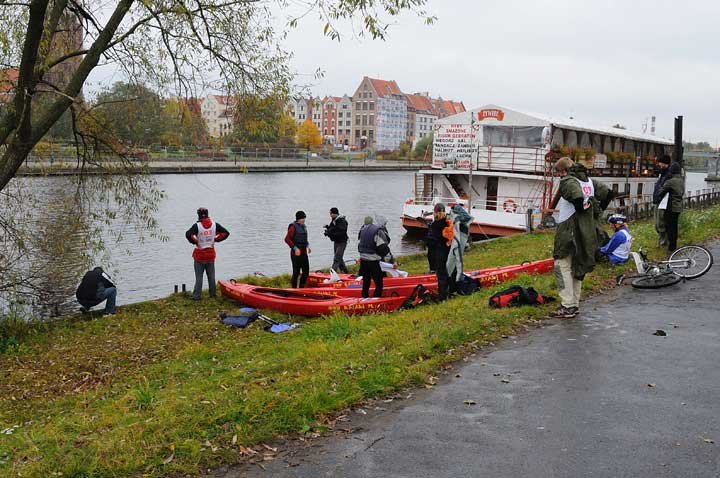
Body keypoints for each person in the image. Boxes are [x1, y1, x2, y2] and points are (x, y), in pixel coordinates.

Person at [550, 158, 604, 319]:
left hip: (569, 229)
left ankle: (567, 305)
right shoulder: (588, 181)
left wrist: (580, 206)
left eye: (558, 173)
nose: (559, 177)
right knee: (578, 266)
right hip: (586, 230)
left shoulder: (568, 181)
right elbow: (608, 193)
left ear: (563, 171)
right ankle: (574, 303)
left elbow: (576, 196)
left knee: (561, 265)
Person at [185, 207, 230, 300]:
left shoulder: (196, 226)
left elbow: (188, 234)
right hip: (211, 255)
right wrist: (216, 239)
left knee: (199, 277)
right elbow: (226, 233)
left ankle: (196, 296)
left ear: (198, 215)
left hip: (199, 255)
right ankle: (212, 295)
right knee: (211, 276)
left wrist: (195, 241)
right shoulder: (214, 224)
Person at [357, 216, 394, 298]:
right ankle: (376, 299)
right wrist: (391, 262)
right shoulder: (378, 231)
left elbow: (360, 245)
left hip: (363, 260)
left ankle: (364, 297)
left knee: (366, 281)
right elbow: (383, 247)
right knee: (379, 283)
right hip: (373, 261)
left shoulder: (363, 229)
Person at [428, 203, 455, 300]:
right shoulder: (449, 222)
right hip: (450, 251)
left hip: (440, 253)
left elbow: (431, 242)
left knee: (441, 275)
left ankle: (442, 296)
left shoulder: (435, 225)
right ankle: (452, 292)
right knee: (451, 272)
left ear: (435, 212)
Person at [657, 162, 685, 253]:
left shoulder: (670, 181)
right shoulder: (681, 180)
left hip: (670, 207)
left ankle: (671, 247)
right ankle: (674, 245)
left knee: (669, 226)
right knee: (674, 226)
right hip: (678, 207)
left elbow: (661, 192)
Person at [285, 210, 311, 288]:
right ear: (298, 219)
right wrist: (295, 248)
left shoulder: (304, 227)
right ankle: (293, 289)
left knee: (306, 271)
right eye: (303, 218)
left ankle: (301, 288)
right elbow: (287, 239)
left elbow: (305, 239)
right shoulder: (293, 227)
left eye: (304, 218)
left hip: (303, 253)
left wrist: (308, 246)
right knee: (296, 272)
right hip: (295, 254)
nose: (304, 220)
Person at [652, 155, 672, 246]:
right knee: (656, 223)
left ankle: (664, 240)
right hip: (658, 200)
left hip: (663, 201)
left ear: (664, 163)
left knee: (660, 222)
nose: (658, 164)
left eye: (660, 162)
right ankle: (662, 238)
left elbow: (665, 189)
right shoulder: (662, 174)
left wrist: (659, 196)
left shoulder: (668, 175)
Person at [324, 207, 349, 273]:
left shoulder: (342, 221)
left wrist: (330, 233)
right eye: (330, 213)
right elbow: (332, 228)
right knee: (339, 258)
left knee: (337, 258)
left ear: (335, 213)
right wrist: (327, 229)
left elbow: (341, 232)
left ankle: (332, 273)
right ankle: (345, 273)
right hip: (336, 242)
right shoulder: (334, 220)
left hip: (342, 242)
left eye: (331, 213)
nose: (330, 215)